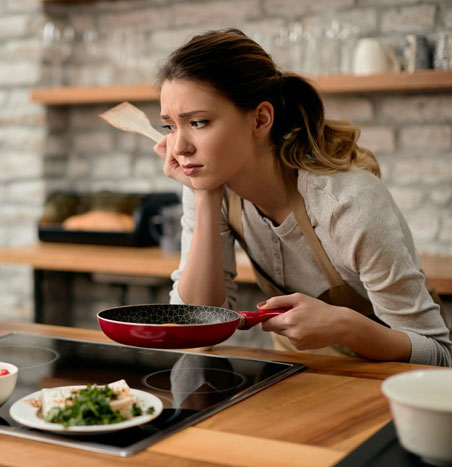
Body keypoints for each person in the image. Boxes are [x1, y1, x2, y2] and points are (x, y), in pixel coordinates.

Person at [153, 28, 452, 366]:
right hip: (302, 375)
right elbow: (192, 332)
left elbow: (439, 356)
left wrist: (345, 327)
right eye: (170, 127)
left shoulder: (347, 203)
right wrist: (204, 198)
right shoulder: (208, 184)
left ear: (261, 119)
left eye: (199, 122)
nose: (179, 147)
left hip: (385, 383)